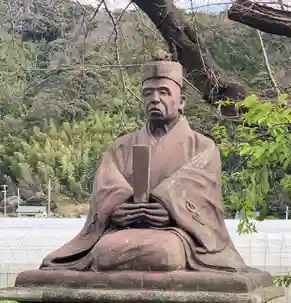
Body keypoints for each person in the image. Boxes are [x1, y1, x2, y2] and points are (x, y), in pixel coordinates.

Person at [40, 51, 247, 273]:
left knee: (165, 254)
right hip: (124, 233)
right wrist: (116, 211)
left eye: (164, 92)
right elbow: (106, 191)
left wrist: (170, 211)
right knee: (105, 252)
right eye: (148, 93)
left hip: (175, 235)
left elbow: (203, 200)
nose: (155, 99)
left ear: (181, 102)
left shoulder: (202, 147)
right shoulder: (121, 147)